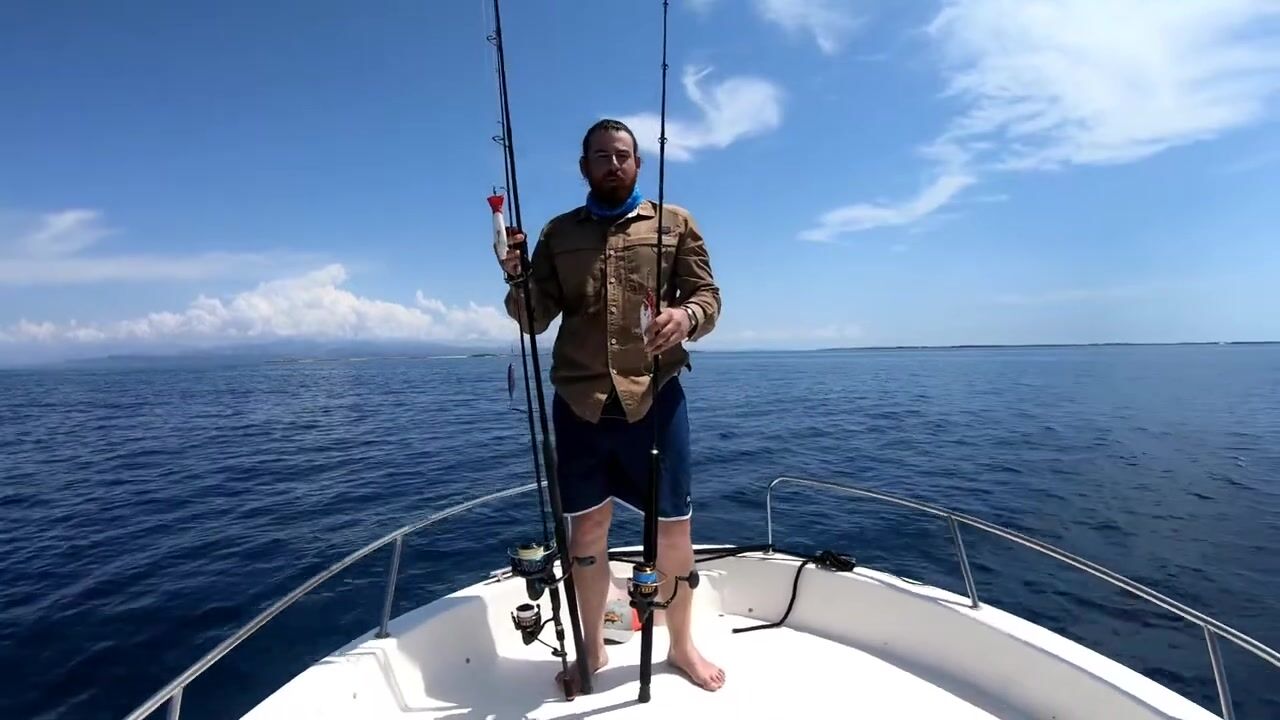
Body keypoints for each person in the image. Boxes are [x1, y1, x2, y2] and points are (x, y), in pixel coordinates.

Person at [498, 118, 723, 695]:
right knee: (587, 531)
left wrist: (686, 317)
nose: (613, 163)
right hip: (580, 405)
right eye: (601, 155)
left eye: (623, 154)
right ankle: (593, 646)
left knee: (673, 532)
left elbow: (708, 296)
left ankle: (682, 646)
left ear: (638, 164)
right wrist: (517, 278)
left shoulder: (675, 223)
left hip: (656, 399)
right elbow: (534, 318)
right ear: (584, 167)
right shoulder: (557, 234)